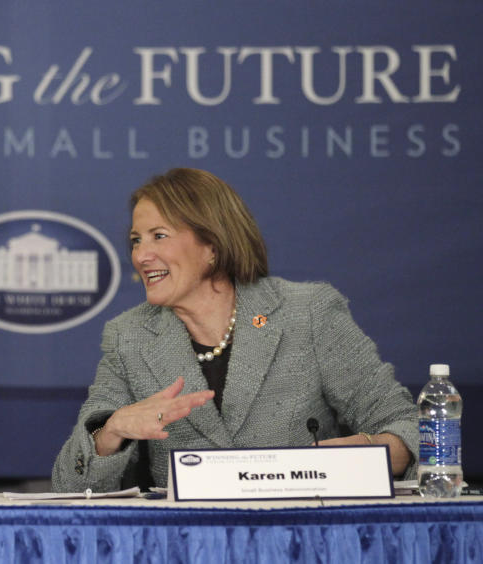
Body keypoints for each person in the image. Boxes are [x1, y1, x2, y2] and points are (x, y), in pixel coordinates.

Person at [52, 168, 417, 492]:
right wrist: (112, 431)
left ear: (212, 245)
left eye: (158, 236)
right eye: (136, 240)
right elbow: (70, 484)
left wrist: (366, 451)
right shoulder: (128, 336)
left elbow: (409, 429)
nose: (140, 255)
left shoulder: (307, 313)